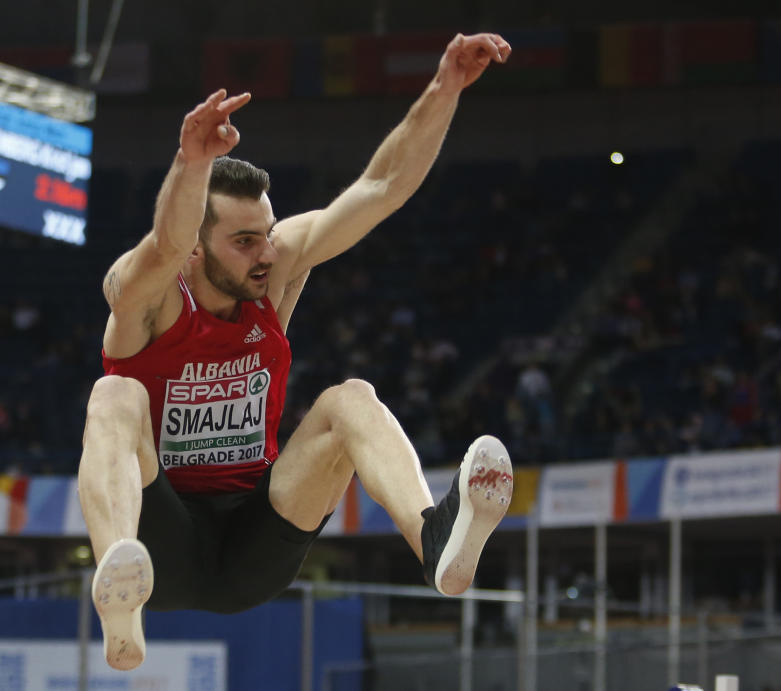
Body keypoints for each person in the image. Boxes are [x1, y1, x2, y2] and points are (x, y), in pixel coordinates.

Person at [79, 32, 515, 671]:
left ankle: (437, 538)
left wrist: (444, 87)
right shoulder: (145, 295)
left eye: (267, 234)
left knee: (350, 401)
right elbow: (166, 246)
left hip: (257, 542)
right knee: (112, 395)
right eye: (245, 241)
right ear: (199, 250)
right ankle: (119, 591)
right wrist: (190, 163)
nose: (267, 253)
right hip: (162, 545)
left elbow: (381, 186)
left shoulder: (273, 271)